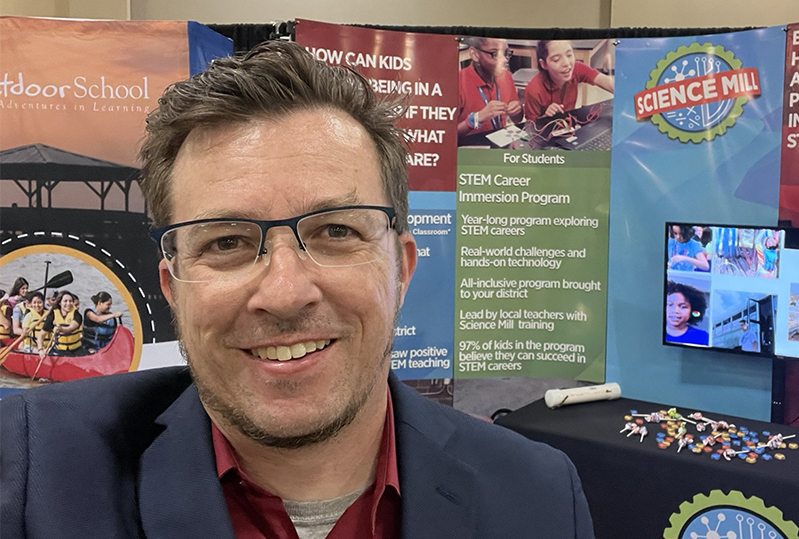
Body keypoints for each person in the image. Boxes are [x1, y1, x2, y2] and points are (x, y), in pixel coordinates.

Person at [1, 41, 593, 539]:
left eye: (337, 230)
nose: (284, 293)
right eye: (226, 242)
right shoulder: (32, 474)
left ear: (403, 269)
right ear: (173, 287)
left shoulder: (537, 499)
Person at [524, 40, 614, 121]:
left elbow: (607, 82)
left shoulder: (577, 67)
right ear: (543, 64)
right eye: (556, 59)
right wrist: (545, 116)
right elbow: (530, 127)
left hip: (568, 125)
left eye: (569, 55)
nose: (567, 63)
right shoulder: (534, 90)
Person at [457, 37, 523, 139]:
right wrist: (476, 119)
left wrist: (517, 110)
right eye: (495, 54)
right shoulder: (457, 83)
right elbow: (444, 136)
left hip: (500, 143)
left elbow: (517, 120)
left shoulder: (506, 76)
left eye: (506, 53)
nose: (505, 60)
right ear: (474, 54)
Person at [39, 290, 83, 357]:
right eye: (65, 301)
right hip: (58, 350)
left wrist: (61, 329)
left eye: (70, 301)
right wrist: (40, 350)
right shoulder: (53, 315)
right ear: (60, 303)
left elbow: (71, 328)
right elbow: (41, 335)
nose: (68, 303)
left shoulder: (77, 315)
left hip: (75, 349)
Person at [665, 281, 709, 346]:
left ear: (692, 311)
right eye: (670, 305)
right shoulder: (653, 331)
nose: (675, 311)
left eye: (683, 307)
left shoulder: (703, 337)